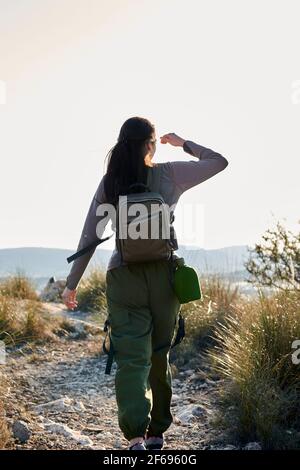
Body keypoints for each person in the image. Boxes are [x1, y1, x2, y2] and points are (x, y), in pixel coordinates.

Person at [62, 116, 229, 450]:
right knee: (158, 354)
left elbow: (89, 237)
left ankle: (136, 436)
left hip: (123, 277)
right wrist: (183, 143)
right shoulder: (169, 174)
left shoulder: (110, 182)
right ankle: (156, 433)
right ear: (150, 144)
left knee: (131, 357)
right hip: (164, 277)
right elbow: (218, 162)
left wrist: (71, 284)